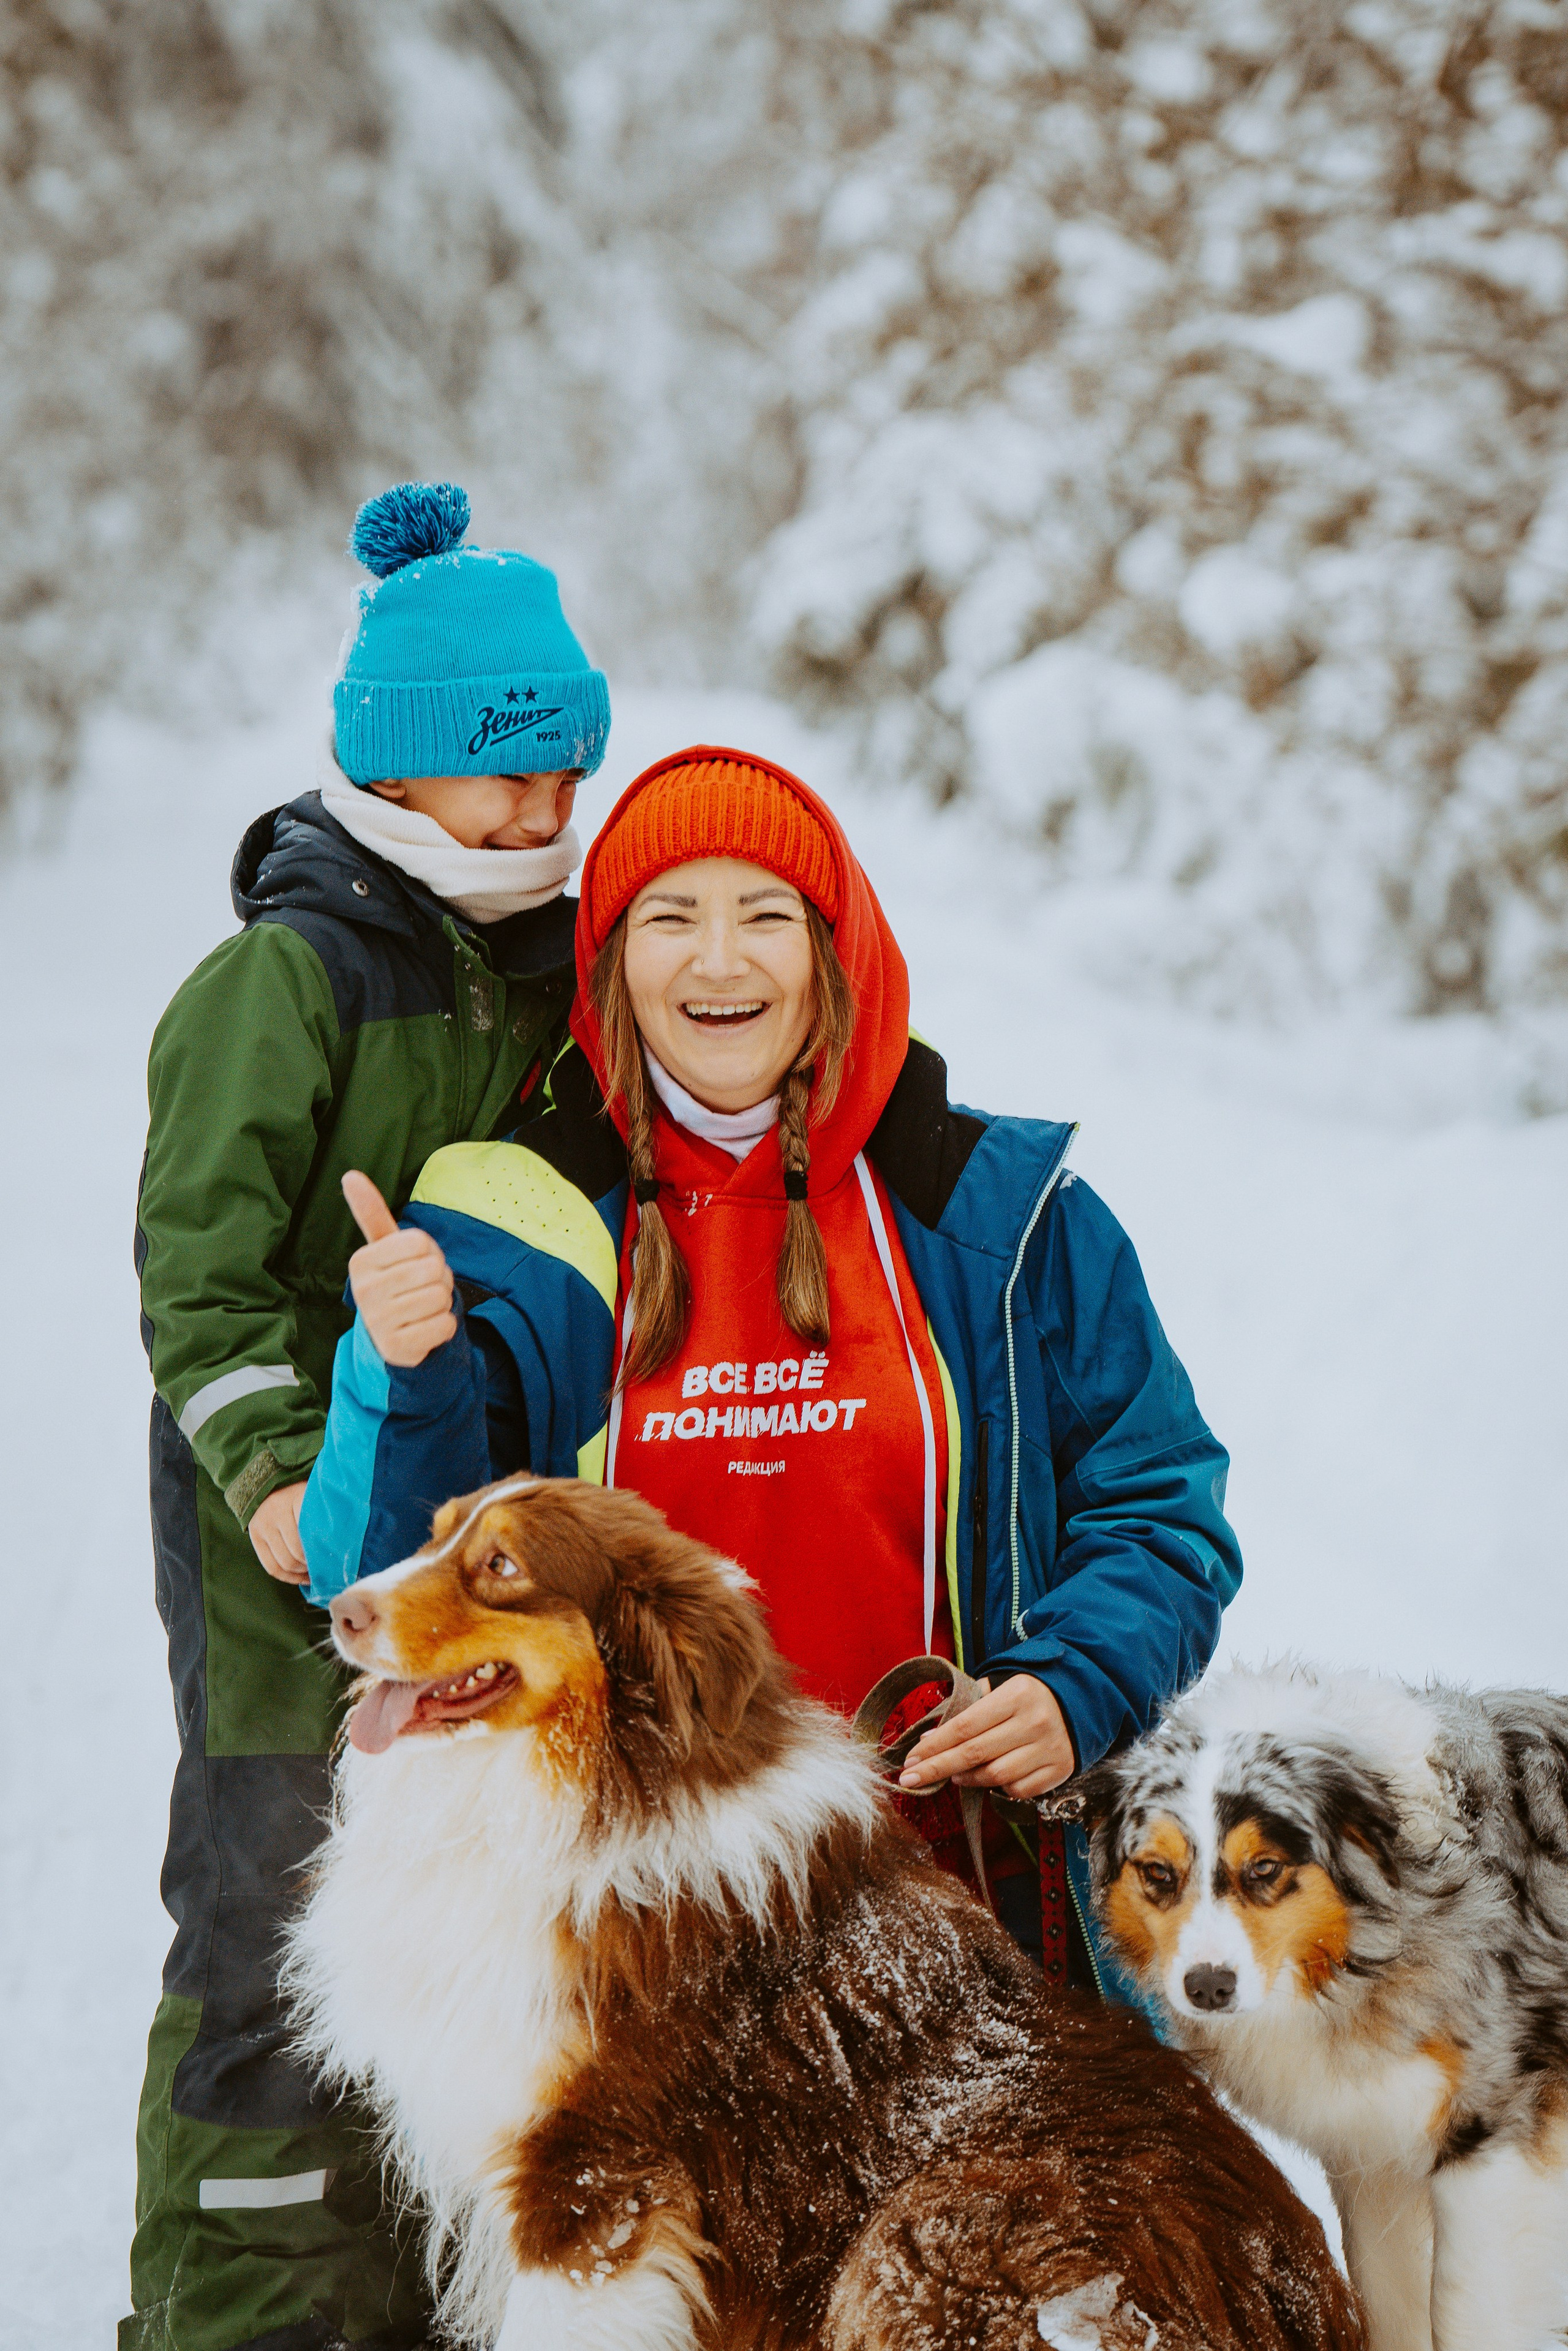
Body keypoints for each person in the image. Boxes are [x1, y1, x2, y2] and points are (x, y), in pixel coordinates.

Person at [301, 744, 1241, 1988]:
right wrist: (406, 1370)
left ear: (831, 948)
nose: (719, 959)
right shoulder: (515, 1227)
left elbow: (1158, 1506)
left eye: (765, 914)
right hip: (634, 1932)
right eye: (670, 917)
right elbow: (384, 1578)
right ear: (610, 960)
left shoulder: (1002, 1215)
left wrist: (1073, 1684)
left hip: (966, 1910)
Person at [127, 481, 611, 2351]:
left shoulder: (568, 957)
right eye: (509, 776)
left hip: (485, 1543)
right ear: (403, 765)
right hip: (287, 1540)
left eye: (568, 772)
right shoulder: (287, 977)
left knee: (472, 1917)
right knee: (276, 1903)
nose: (545, 811)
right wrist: (268, 1473)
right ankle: (239, 2307)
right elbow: (202, 1265)